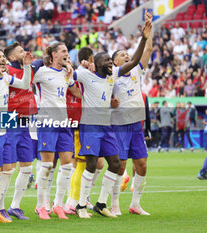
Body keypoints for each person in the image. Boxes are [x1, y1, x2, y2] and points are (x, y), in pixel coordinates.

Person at [74, 11, 152, 219]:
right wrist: (79, 65)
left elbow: (135, 60)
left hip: (106, 126)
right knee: (91, 164)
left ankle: (100, 204)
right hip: (89, 126)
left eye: (111, 61)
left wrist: (144, 38)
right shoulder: (85, 75)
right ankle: (81, 205)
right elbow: (67, 75)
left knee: (116, 164)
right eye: (108, 61)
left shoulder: (113, 75)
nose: (111, 64)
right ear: (97, 64)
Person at [33, 42, 82, 220]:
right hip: (47, 122)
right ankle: (41, 206)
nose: (66, 54)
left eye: (67, 51)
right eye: (63, 51)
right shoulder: (41, 72)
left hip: (64, 123)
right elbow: (25, 81)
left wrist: (72, 74)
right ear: (53, 54)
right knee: (46, 165)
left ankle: (58, 205)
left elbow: (75, 92)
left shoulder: (65, 73)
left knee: (67, 166)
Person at [110, 19, 153, 216]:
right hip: (119, 124)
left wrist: (148, 32)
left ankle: (135, 204)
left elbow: (147, 52)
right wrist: (111, 103)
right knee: (120, 165)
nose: (126, 55)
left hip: (136, 125)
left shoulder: (136, 70)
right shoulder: (112, 76)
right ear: (115, 62)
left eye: (127, 52)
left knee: (142, 164)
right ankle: (114, 203)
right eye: (121, 54)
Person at [0, 48, 32, 222]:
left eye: (3, 57)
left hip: (21, 118)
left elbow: (25, 85)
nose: (2, 60)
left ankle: (8, 208)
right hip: (4, 119)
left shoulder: (6, 76)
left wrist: (27, 67)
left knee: (18, 168)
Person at [65, 47, 104, 212]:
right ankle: (71, 202)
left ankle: (79, 197)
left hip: (81, 122)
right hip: (79, 122)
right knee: (80, 165)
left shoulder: (85, 74)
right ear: (89, 59)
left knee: (92, 164)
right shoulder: (82, 74)